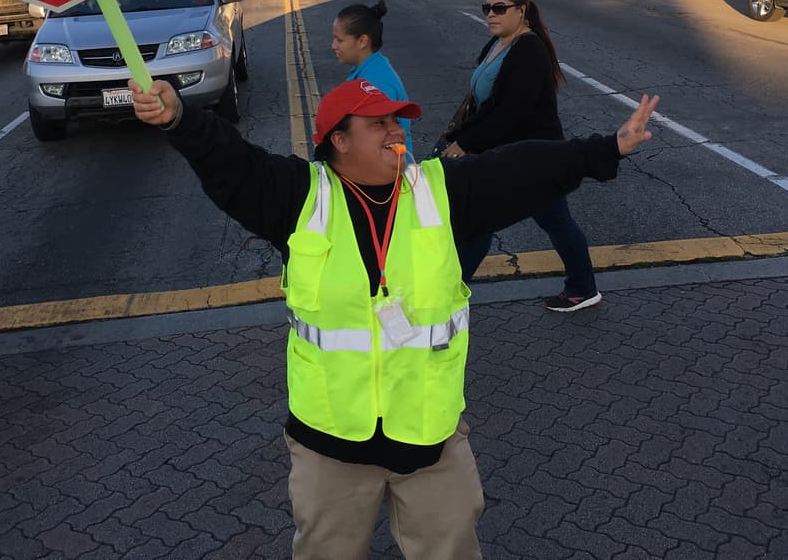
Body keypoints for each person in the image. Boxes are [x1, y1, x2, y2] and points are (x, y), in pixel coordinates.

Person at [130, 75, 660, 560]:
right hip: (330, 441)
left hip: (430, 436)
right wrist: (181, 118)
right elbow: (232, 163)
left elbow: (524, 168)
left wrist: (607, 148)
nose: (395, 131)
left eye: (397, 121)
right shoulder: (298, 197)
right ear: (339, 140)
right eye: (378, 122)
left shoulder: (440, 190)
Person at [438, 0, 599, 313]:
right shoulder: (497, 43)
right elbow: (485, 105)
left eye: (500, 8)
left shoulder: (529, 50)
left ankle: (448, 296)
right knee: (553, 221)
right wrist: (461, 136)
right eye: (487, 8)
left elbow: (512, 111)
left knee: (479, 221)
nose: (491, 14)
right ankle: (583, 287)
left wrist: (467, 143)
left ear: (521, 11)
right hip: (511, 155)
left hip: (534, 157)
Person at [331, 0, 413, 156]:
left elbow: (382, 142)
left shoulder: (376, 83)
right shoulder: (369, 69)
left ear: (362, 41)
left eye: (340, 40)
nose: (333, 45)